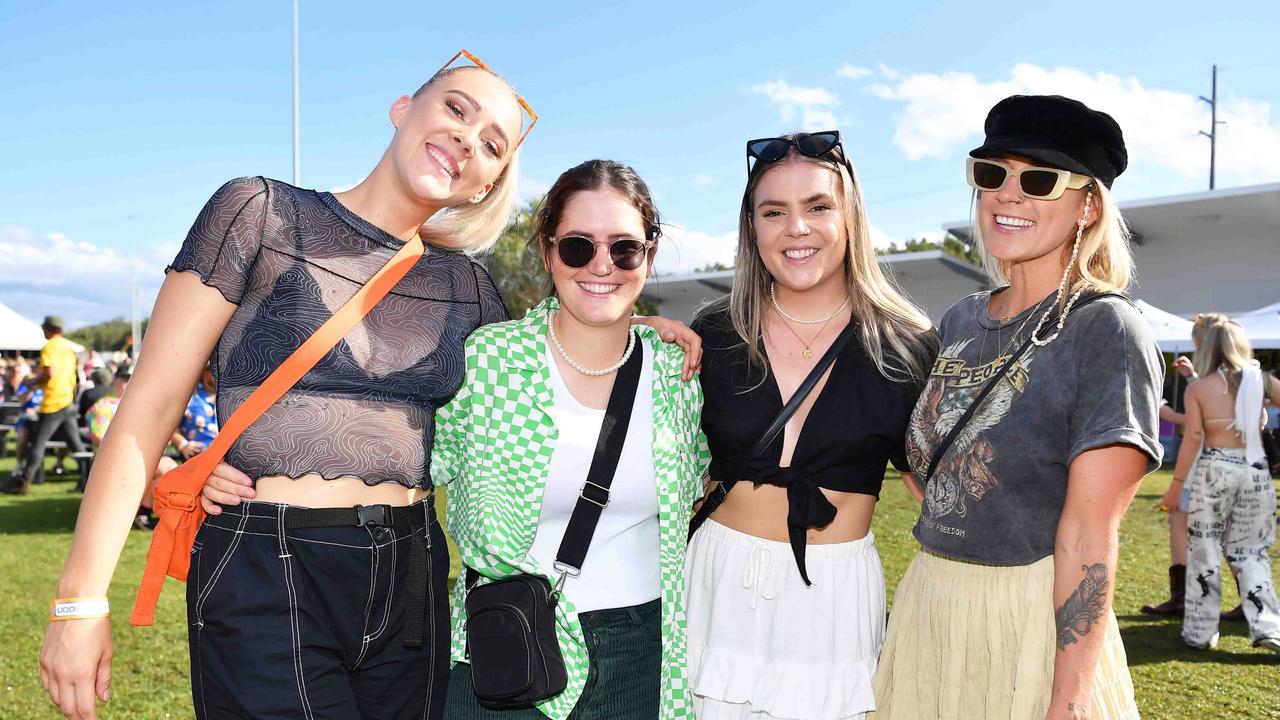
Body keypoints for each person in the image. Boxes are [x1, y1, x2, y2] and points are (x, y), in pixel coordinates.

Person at [40, 52, 532, 720]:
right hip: (268, 565)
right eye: (455, 108)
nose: (467, 139)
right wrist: (79, 600)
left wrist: (637, 324)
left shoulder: (469, 289)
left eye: (492, 145)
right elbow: (149, 406)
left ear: (485, 185)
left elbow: (545, 382)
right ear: (402, 109)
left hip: (413, 576)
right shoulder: (259, 213)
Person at [874, 95, 1163, 720]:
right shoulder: (959, 321)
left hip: (1031, 622)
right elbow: (925, 465)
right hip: (931, 604)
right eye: (991, 173)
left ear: (1089, 205)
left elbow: (1089, 536)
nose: (1008, 194)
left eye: (1038, 179)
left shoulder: (1105, 330)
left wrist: (1068, 700)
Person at [435, 160, 707, 719]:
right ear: (547, 251)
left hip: (639, 652)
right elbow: (403, 463)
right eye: (578, 247)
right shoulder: (488, 361)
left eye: (624, 248)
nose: (602, 265)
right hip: (506, 646)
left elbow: (702, 482)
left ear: (648, 256)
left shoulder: (674, 375)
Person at [687, 130, 937, 719]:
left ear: (850, 216)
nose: (796, 228)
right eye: (774, 212)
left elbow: (941, 498)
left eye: (818, 207)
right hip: (717, 582)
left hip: (833, 598)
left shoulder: (907, 344)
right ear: (752, 227)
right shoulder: (715, 332)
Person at [1174, 314, 1280, 653]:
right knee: (1252, 552)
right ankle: (1268, 627)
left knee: (1204, 550)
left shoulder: (1199, 388)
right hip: (1255, 470)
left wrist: (1177, 483)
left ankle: (1201, 632)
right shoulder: (1260, 380)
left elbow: (1193, 436)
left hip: (1215, 469)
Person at [2, 315, 88, 494]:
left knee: (38, 444)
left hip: (54, 403)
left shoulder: (50, 346)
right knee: (76, 446)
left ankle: (23, 483)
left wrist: (32, 382)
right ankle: (87, 479)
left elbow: (50, 373)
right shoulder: (68, 347)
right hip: (67, 401)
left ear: (47, 328)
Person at [1142, 354, 1195, 616]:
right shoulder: (1246, 379)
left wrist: (1177, 482)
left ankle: (1186, 599)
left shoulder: (1216, 384)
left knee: (1186, 526)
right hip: (1236, 468)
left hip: (1206, 468)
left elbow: (1193, 426)